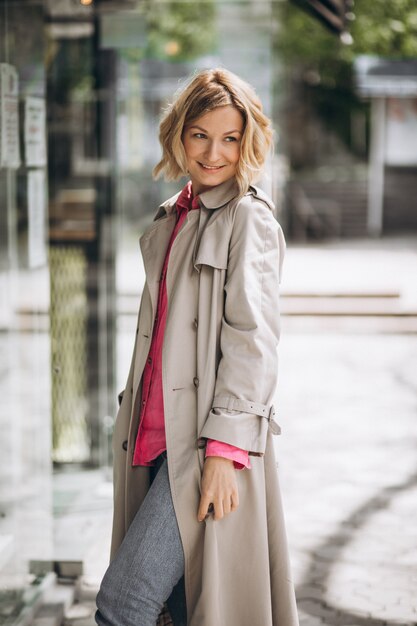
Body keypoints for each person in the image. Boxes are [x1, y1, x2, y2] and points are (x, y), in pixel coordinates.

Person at [95, 67, 299, 626]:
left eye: (230, 138)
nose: (214, 153)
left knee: (124, 604)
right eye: (200, 135)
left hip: (203, 447)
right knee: (176, 609)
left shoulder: (247, 219)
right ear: (178, 136)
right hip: (152, 437)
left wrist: (224, 453)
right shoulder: (170, 217)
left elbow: (252, 342)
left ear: (247, 142)